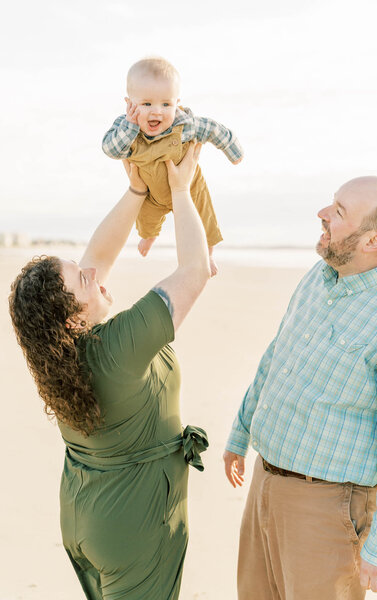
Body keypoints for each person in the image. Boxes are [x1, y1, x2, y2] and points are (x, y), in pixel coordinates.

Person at [9, 143, 210, 599]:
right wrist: (182, 188)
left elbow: (96, 259)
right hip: (131, 524)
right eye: (82, 279)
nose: (93, 273)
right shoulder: (117, 346)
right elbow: (195, 271)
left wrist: (137, 190)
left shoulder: (55, 355)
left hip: (87, 513)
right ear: (72, 319)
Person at [224, 176, 377, 599]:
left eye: (338, 212)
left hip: (328, 509)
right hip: (265, 485)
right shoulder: (319, 277)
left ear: (373, 240)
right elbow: (276, 358)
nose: (322, 214)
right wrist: (240, 433)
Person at [102, 56, 244, 276]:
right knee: (145, 218)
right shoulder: (125, 127)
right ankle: (149, 237)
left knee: (205, 218)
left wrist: (233, 152)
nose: (157, 111)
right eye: (146, 104)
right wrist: (130, 128)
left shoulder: (184, 124)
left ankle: (208, 254)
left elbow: (214, 130)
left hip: (190, 186)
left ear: (177, 103)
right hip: (151, 192)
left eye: (166, 104)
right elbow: (110, 149)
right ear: (129, 104)